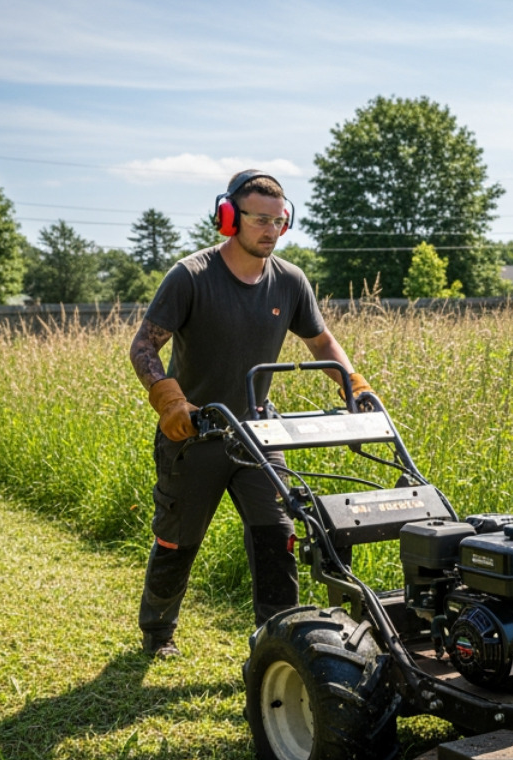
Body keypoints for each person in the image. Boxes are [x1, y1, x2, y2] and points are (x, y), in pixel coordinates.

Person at [128, 169, 371, 658]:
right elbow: (142, 347)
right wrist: (171, 401)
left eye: (278, 221)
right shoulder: (191, 276)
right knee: (179, 539)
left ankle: (278, 644)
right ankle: (158, 632)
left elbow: (321, 341)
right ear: (228, 218)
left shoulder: (290, 281)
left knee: (277, 535)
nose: (269, 230)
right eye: (258, 220)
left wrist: (355, 385)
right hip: (195, 434)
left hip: (258, 432)